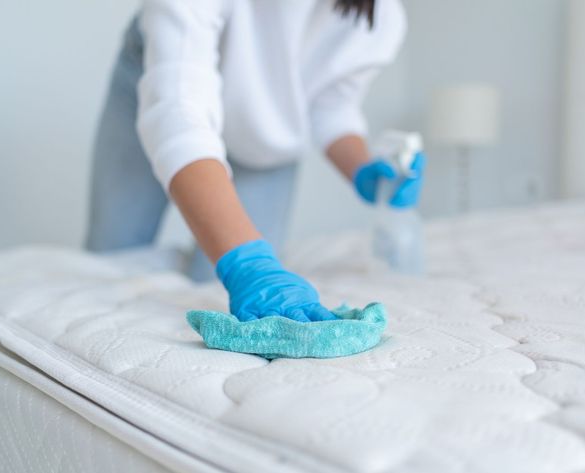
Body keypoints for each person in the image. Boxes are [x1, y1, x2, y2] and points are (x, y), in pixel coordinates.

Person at [86, 0, 424, 323]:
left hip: (263, 140)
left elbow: (331, 106)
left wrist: (364, 171)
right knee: (111, 259)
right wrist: (247, 263)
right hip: (159, 87)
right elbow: (178, 111)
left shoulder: (381, 18)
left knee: (214, 286)